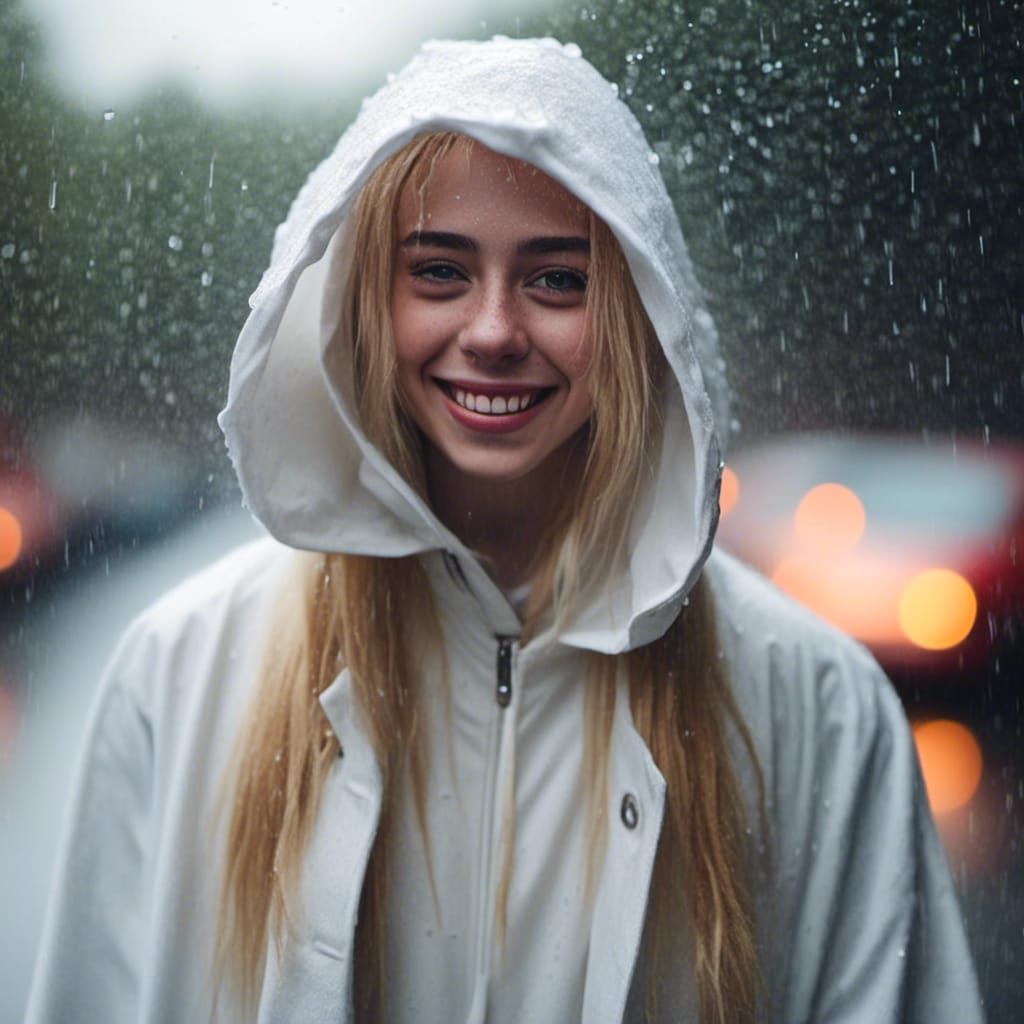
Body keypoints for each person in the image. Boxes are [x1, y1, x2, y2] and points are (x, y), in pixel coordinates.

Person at [27, 36, 982, 1024]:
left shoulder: (814, 705)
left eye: (556, 279)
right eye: (438, 271)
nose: (491, 331)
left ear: (634, 308)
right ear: (363, 297)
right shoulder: (182, 674)